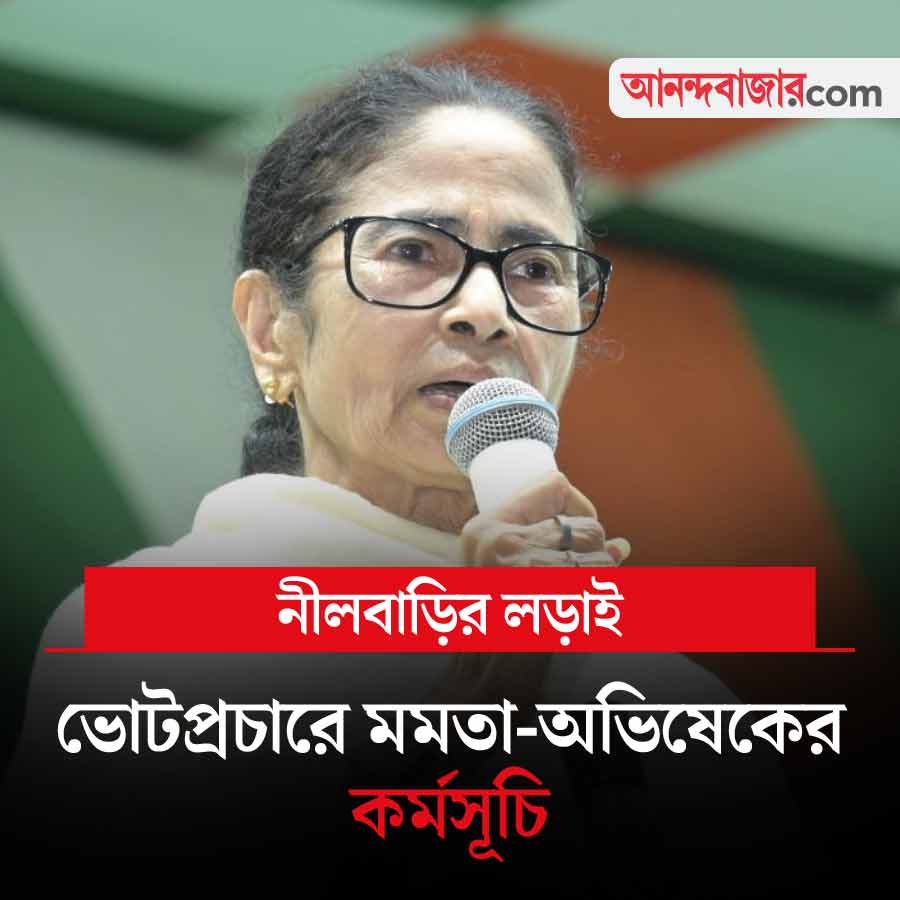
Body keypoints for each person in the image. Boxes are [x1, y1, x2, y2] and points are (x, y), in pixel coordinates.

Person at [2, 59, 798, 895]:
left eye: (536, 268)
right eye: (413, 251)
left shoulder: (674, 698)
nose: (486, 311)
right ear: (272, 330)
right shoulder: (149, 639)